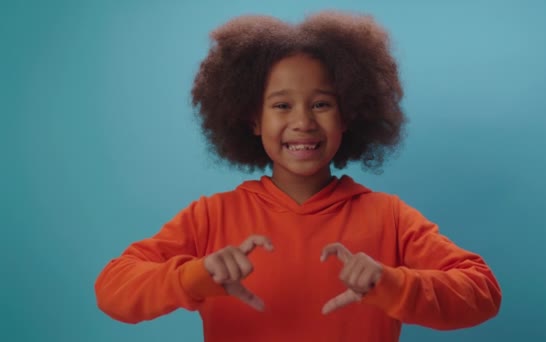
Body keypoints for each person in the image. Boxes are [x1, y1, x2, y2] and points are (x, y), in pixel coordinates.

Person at [95, 10, 502, 342]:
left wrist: (391, 284)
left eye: (322, 104)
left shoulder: (389, 218)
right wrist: (195, 277)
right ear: (253, 119)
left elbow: (482, 292)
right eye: (282, 105)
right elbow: (114, 289)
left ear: (350, 115)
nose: (303, 121)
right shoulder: (211, 218)